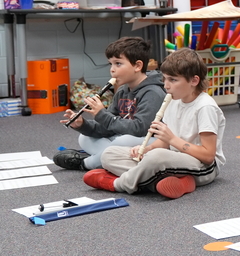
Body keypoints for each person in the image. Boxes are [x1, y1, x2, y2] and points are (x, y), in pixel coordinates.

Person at [84, 48, 226, 200]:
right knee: (109, 154)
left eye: (173, 80)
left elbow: (208, 156)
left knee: (156, 157)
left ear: (194, 81)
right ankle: (177, 182)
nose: (166, 85)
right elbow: (164, 142)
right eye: (164, 79)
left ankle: (119, 183)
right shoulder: (174, 100)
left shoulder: (205, 107)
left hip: (202, 167)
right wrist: (146, 148)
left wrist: (171, 140)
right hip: (172, 160)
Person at [53, 37, 166, 171]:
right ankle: (112, 160)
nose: (112, 70)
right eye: (110, 64)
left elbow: (139, 129)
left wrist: (102, 114)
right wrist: (82, 124)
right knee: (84, 137)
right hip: (123, 139)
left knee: (122, 141)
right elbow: (107, 126)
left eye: (118, 63)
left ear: (137, 66)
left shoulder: (153, 92)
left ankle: (86, 163)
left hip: (150, 142)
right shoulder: (122, 90)